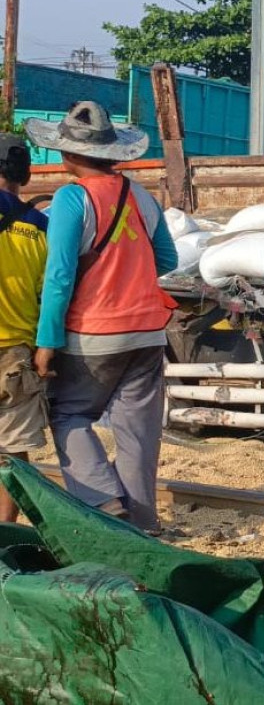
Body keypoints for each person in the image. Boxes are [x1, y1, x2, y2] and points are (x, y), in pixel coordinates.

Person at [26, 101, 178, 533]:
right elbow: (166, 258)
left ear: (68, 154)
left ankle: (103, 504)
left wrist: (47, 341)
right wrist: (128, 273)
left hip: (93, 333)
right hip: (148, 331)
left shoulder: (72, 198)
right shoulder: (141, 195)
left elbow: (60, 275)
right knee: (138, 429)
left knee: (69, 414)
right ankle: (143, 520)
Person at [0, 133, 49, 522]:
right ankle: (4, 533)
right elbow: (48, 292)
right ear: (25, 177)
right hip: (18, 350)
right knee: (12, 449)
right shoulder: (41, 227)